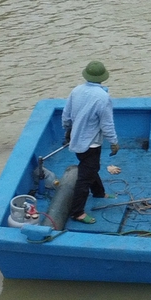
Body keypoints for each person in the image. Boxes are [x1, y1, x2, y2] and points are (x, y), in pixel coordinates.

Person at [63, 60, 119, 225]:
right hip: (91, 144)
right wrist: (114, 142)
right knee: (84, 177)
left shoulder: (76, 90)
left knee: (91, 167)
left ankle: (99, 193)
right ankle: (77, 212)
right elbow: (106, 124)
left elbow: (66, 115)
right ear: (102, 77)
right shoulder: (103, 97)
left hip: (77, 140)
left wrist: (67, 131)